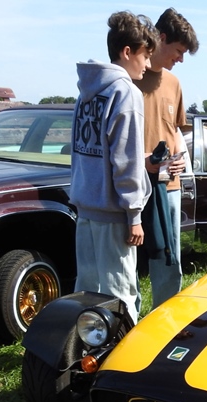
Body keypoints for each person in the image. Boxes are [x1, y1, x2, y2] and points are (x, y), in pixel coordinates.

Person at [70, 12, 158, 325]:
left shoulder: (86, 92)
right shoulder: (125, 92)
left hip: (86, 209)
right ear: (127, 52)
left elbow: (85, 152)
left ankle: (86, 350)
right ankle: (121, 355)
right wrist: (134, 215)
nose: (148, 64)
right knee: (119, 298)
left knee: (87, 294)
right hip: (113, 214)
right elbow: (125, 160)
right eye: (146, 55)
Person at [134, 7, 199, 310]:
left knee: (170, 262)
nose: (181, 59)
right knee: (129, 264)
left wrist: (181, 160)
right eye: (178, 51)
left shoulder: (174, 83)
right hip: (132, 185)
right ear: (160, 38)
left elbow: (174, 131)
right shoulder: (129, 76)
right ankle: (125, 325)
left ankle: (164, 321)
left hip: (169, 187)